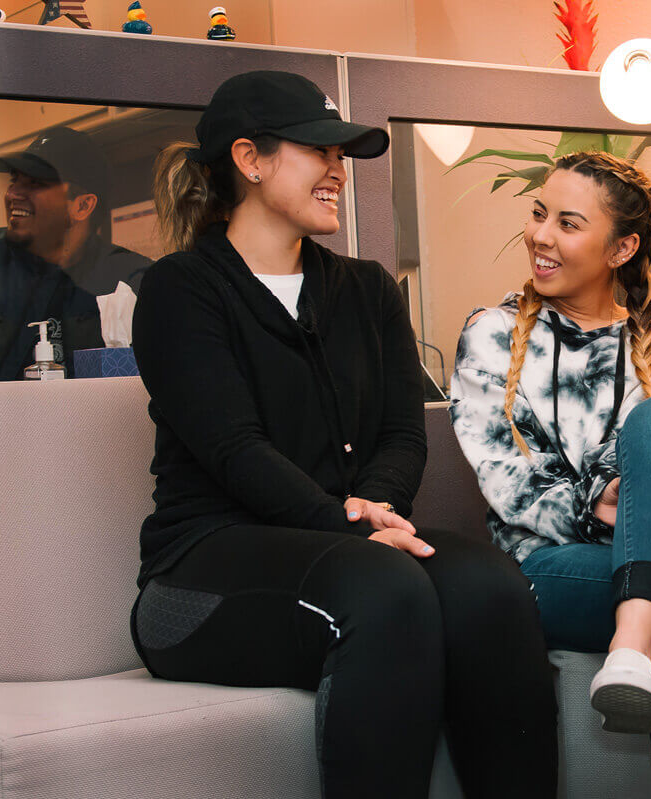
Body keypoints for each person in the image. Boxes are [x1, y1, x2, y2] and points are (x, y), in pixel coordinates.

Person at [129, 70, 557, 799]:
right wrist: (347, 524)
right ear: (250, 158)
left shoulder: (367, 288)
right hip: (199, 576)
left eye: (343, 154)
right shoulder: (180, 290)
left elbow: (401, 434)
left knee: (489, 583)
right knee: (385, 587)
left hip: (350, 544)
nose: (338, 170)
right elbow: (235, 451)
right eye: (317, 149)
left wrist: (374, 509)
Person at [450, 151, 651, 799]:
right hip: (548, 566)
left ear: (622, 247)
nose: (541, 236)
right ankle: (633, 649)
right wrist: (600, 506)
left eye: (569, 223)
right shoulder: (491, 336)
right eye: (538, 213)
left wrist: (635, 505)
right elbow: (510, 486)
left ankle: (630, 646)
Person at [0, 126, 150, 379]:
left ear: (82, 205)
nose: (13, 194)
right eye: (15, 180)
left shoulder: (130, 283)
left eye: (35, 183)